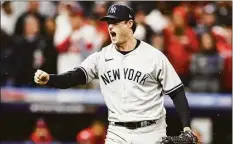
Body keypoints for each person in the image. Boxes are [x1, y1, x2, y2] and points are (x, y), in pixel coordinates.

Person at [34, 4, 196, 144]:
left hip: (151, 132)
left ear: (129, 24)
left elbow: (177, 92)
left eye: (115, 22)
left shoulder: (154, 57)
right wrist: (50, 78)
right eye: (109, 23)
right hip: (117, 132)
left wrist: (186, 126)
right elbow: (74, 77)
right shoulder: (102, 57)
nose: (110, 27)